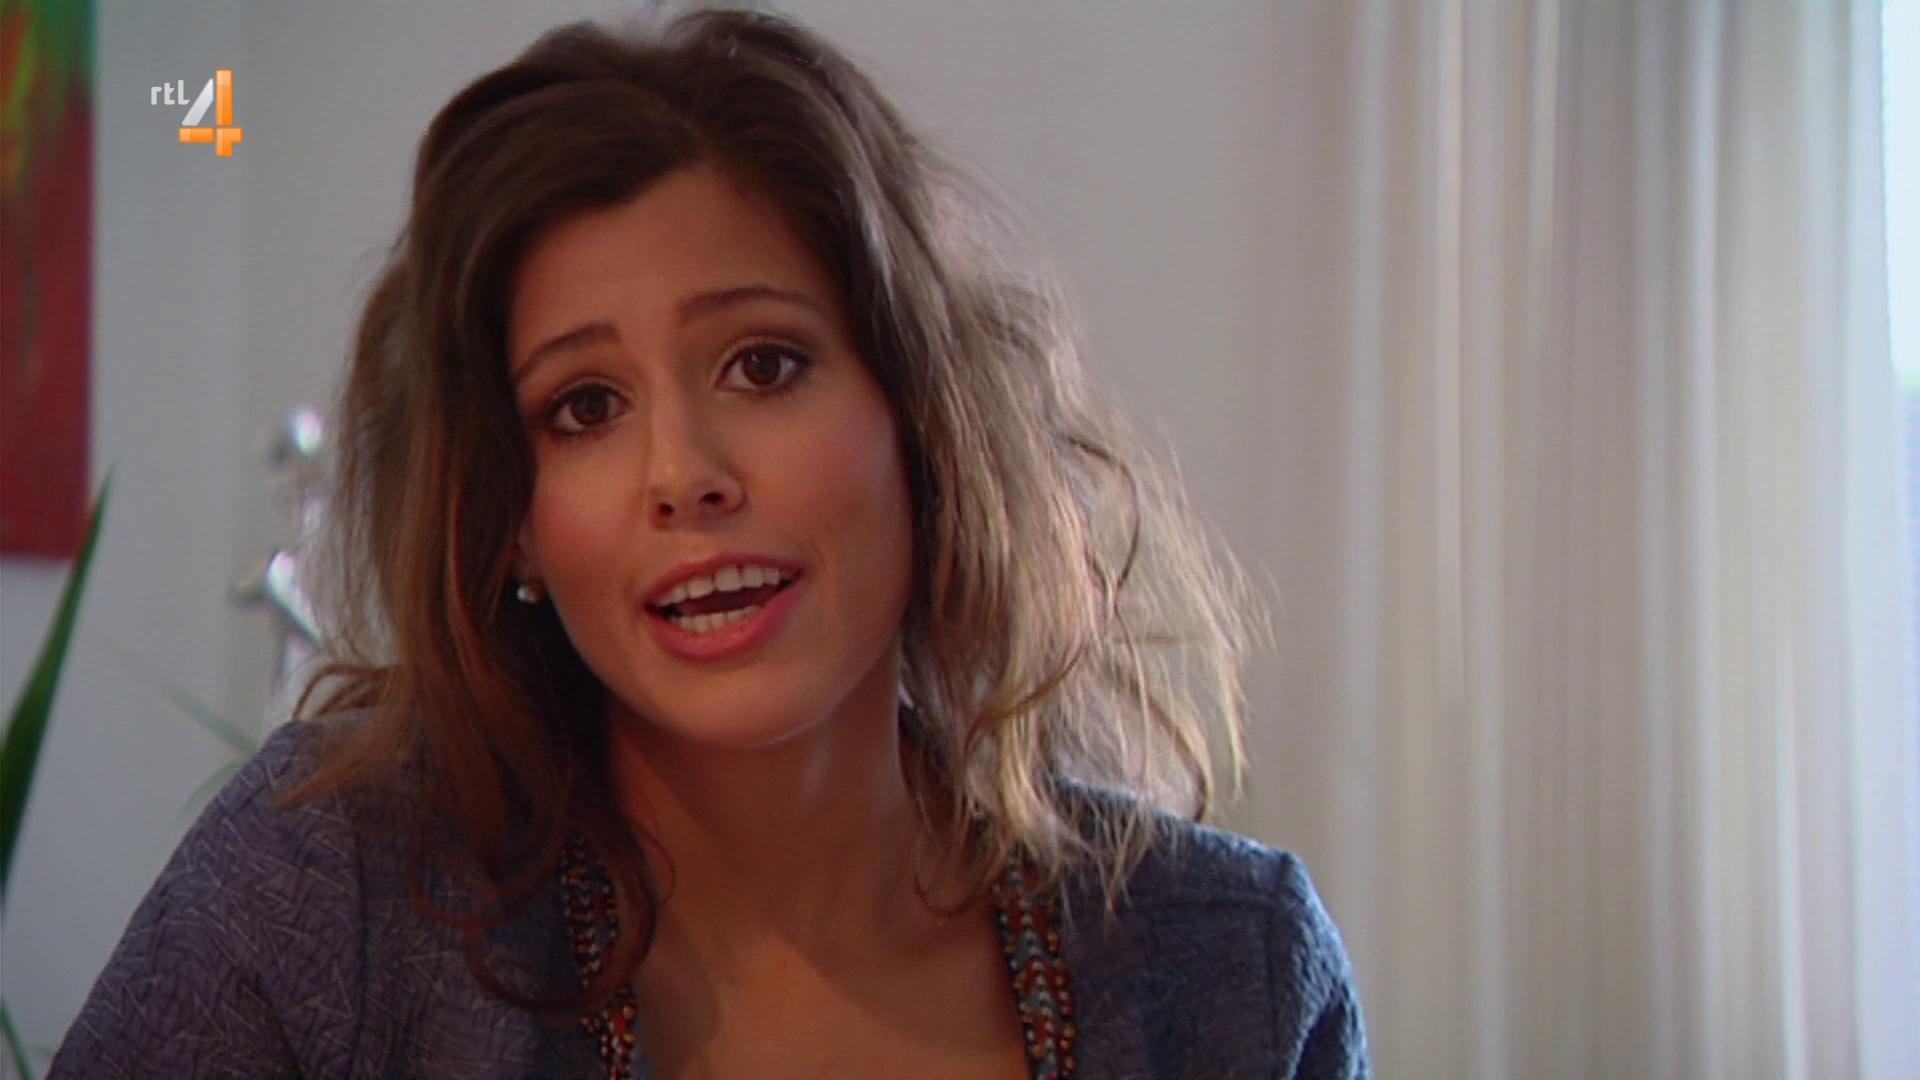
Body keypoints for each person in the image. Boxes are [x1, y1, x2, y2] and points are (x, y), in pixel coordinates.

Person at [51, 7, 1367, 1078]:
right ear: (511, 525)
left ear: (922, 422)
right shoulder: (331, 898)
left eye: (764, 364)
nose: (684, 475)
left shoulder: (1230, 972)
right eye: (585, 408)